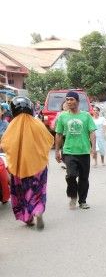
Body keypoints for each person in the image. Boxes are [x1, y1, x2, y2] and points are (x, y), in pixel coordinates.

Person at [0, 96, 52, 229]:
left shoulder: (12, 126)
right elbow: (48, 141)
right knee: (39, 190)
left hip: (19, 167)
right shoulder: (37, 123)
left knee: (22, 192)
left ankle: (28, 217)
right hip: (38, 166)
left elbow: (5, 145)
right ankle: (38, 210)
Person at [55, 91, 96, 209]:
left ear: (77, 101)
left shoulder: (86, 116)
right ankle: (73, 196)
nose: (69, 102)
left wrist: (93, 148)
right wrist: (57, 151)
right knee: (71, 175)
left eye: (71, 99)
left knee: (84, 178)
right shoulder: (62, 116)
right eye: (67, 99)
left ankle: (82, 201)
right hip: (69, 151)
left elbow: (92, 132)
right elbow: (58, 134)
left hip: (83, 151)